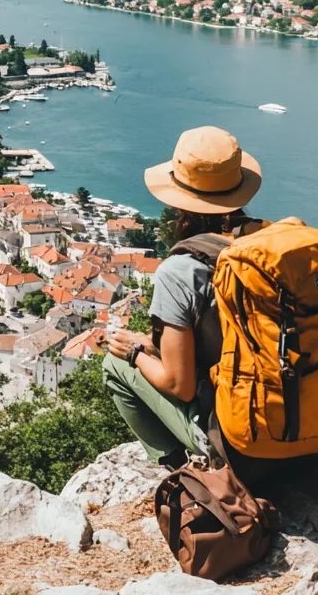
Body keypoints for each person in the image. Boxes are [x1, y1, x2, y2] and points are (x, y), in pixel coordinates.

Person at [103, 125, 267, 469]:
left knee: (114, 364)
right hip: (306, 433)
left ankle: (179, 468)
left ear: (179, 203)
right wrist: (151, 344)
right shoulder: (267, 246)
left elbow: (181, 387)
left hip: (244, 446)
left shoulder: (182, 271)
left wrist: (134, 352)